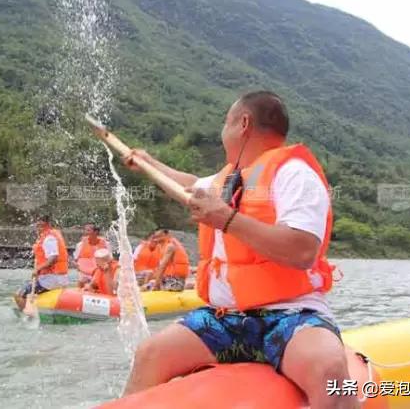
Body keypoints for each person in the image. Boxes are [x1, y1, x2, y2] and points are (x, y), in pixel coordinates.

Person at [121, 91, 354, 409]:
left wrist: (227, 219)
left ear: (243, 123)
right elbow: (188, 186)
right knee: (150, 355)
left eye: (225, 122)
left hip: (290, 314)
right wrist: (149, 164)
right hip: (224, 317)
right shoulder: (228, 178)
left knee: (332, 375)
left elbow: (303, 251)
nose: (222, 132)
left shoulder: (295, 174)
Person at [14, 215, 69, 310]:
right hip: (59, 277)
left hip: (51, 280)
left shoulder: (49, 238)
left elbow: (53, 258)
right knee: (31, 289)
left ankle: (26, 315)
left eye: (39, 225)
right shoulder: (55, 233)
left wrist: (37, 269)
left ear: (45, 224)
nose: (37, 228)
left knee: (18, 294)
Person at [73, 223, 110, 288]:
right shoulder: (80, 245)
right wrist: (77, 266)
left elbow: (110, 260)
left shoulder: (106, 244)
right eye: (85, 230)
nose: (85, 232)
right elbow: (75, 260)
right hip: (84, 274)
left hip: (99, 274)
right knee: (82, 281)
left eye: (88, 230)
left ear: (96, 232)